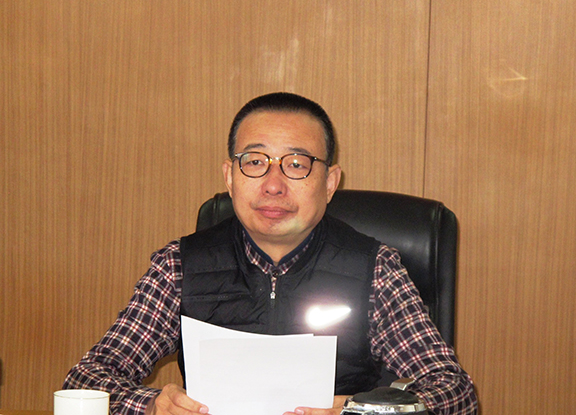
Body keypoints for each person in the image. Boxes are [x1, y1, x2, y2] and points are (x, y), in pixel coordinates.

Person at [63, 92, 478, 415]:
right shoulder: (179, 265)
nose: (273, 184)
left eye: (296, 164)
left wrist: (359, 411)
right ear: (230, 176)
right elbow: (86, 381)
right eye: (255, 161)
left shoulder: (375, 268)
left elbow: (455, 392)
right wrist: (152, 406)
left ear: (330, 182)